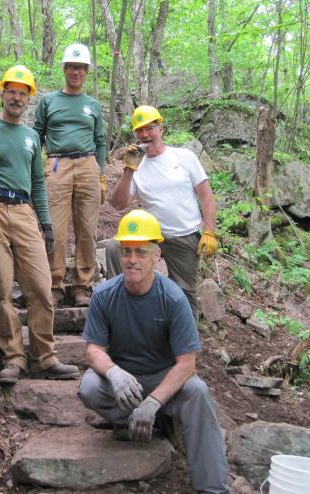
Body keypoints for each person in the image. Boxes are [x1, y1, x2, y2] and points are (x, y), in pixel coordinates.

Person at [78, 210, 229, 494]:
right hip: (126, 380)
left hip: (164, 378)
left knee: (197, 392)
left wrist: (154, 401)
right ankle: (129, 422)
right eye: (127, 252)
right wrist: (114, 372)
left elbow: (187, 364)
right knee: (89, 386)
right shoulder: (104, 295)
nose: (132, 259)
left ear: (156, 255)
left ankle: (213, 487)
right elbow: (93, 350)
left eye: (141, 252)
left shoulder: (173, 298)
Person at [0, 65, 79, 385]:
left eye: (22, 92)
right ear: (1, 94)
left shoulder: (31, 138)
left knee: (42, 288)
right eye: (11, 90)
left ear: (29, 98)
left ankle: (45, 356)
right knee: (1, 290)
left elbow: (38, 184)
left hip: (25, 211)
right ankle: (14, 358)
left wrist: (46, 224)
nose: (16, 97)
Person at [108, 105, 218, 319]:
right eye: (139, 131)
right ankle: (120, 311)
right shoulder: (137, 167)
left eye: (149, 128)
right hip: (150, 236)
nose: (145, 135)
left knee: (184, 292)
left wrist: (209, 232)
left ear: (161, 129)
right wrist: (129, 170)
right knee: (114, 247)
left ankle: (185, 343)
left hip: (184, 235)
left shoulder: (184, 157)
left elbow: (206, 196)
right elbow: (118, 203)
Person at [34, 43, 106, 308]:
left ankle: (82, 286)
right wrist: (39, 169)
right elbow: (36, 136)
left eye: (81, 68)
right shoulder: (48, 102)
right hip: (57, 165)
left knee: (87, 229)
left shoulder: (92, 105)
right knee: (55, 229)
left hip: (88, 165)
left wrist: (99, 172)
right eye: (72, 67)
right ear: (64, 69)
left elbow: (100, 141)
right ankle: (54, 285)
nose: (76, 72)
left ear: (86, 72)